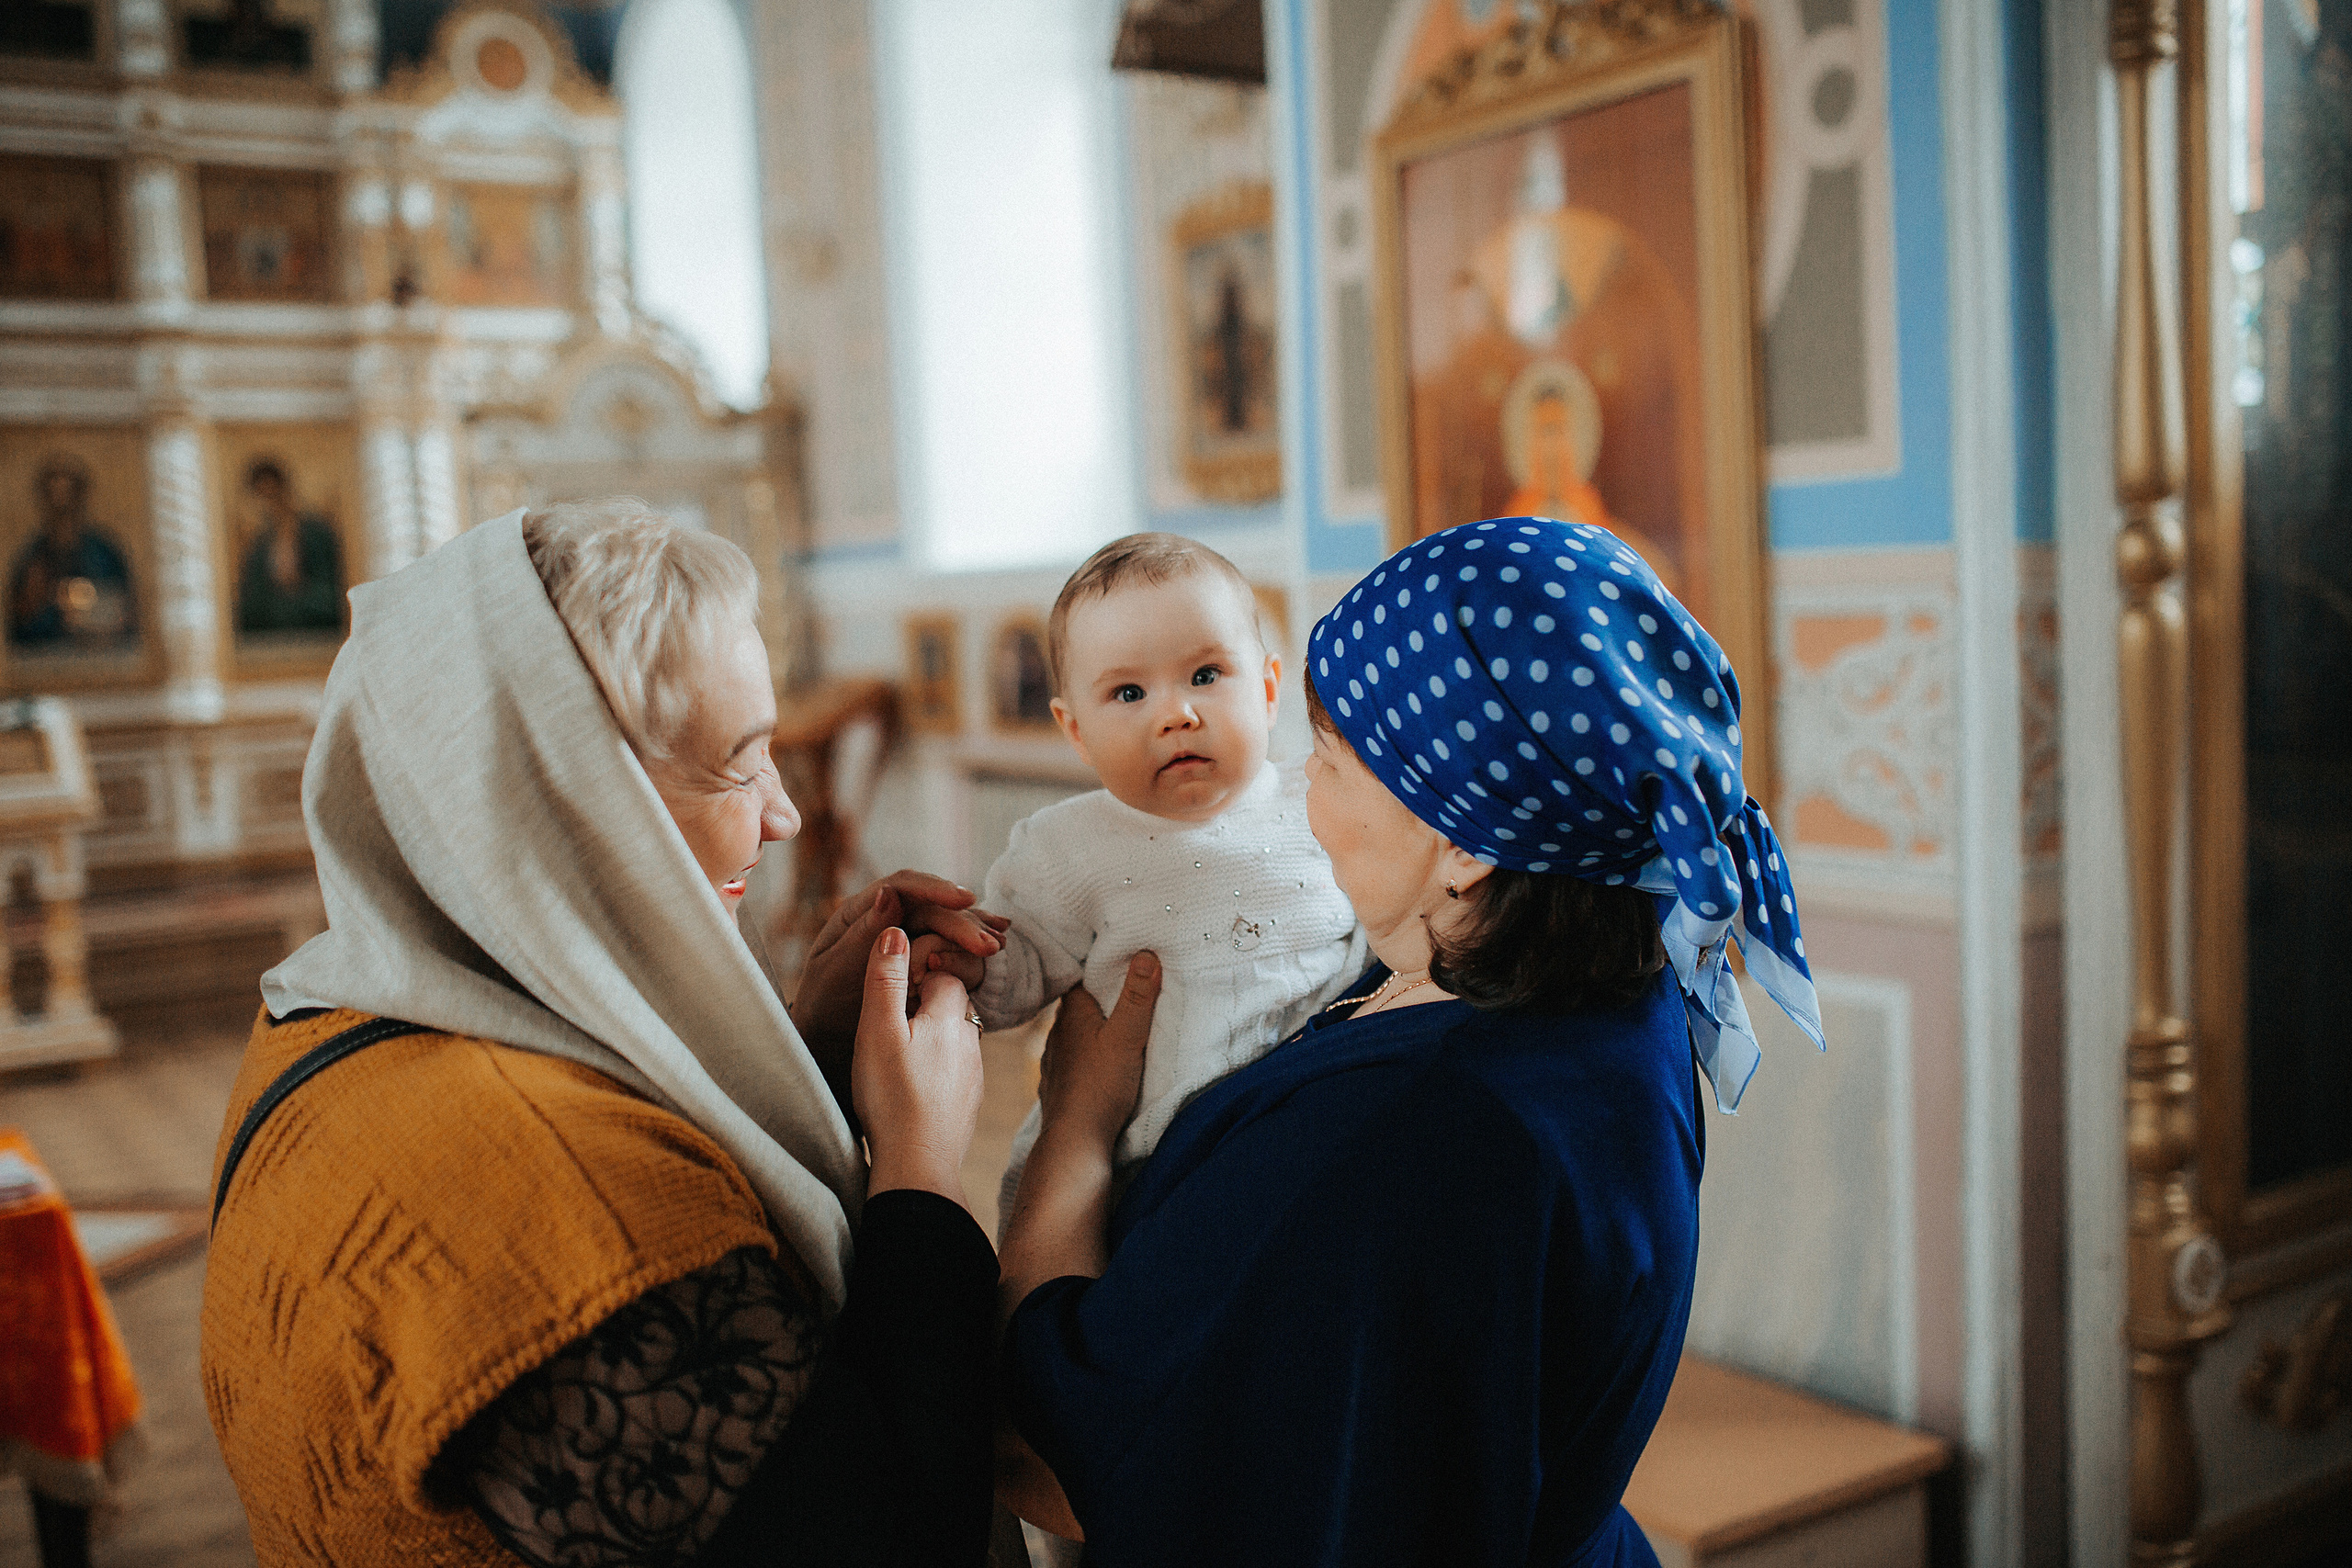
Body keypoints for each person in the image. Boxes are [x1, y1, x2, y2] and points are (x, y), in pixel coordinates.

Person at [998, 516, 1825, 1567]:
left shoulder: (1392, 1134)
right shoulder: (1616, 987)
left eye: (1330, 760)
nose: (1302, 791)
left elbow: (1063, 1461)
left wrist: (1073, 1125)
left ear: (1465, 845)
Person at [199, 499, 1007, 1568]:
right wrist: (919, 1167)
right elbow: (893, 1539)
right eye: (739, 764)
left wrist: (798, 1056)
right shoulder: (580, 1218)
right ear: (571, 806)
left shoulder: (321, 1010)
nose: (784, 815)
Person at [967, 533, 1363, 1201]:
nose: (1177, 714)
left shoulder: (1322, 798)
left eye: (1205, 676)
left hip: (1315, 1132)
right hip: (1145, 1165)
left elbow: (1383, 928)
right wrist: (972, 963)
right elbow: (1019, 972)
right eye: (1129, 692)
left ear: (1269, 690)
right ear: (1076, 731)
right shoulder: (1068, 847)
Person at [6, 455, 136, 652]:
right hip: (45, 656)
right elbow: (19, 624)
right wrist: (32, 601)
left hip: (102, 656)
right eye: (54, 502)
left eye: (68, 500)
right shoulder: (33, 557)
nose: (62, 509)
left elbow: (126, 611)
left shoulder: (104, 553)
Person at [235, 457, 343, 636]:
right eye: (263, 497)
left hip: (316, 627)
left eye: (274, 494)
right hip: (273, 630)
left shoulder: (316, 532)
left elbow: (332, 594)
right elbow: (252, 601)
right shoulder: (260, 545)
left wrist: (300, 593)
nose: (271, 504)